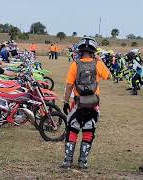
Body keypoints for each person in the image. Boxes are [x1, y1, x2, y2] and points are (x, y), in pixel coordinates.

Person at [61, 37, 110, 170]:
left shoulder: (75, 64)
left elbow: (69, 85)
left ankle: (68, 161)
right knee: (89, 131)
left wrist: (65, 102)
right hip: (93, 104)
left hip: (78, 104)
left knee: (72, 130)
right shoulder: (97, 64)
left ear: (80, 51)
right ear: (94, 51)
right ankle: (83, 161)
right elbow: (108, 76)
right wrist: (100, 61)